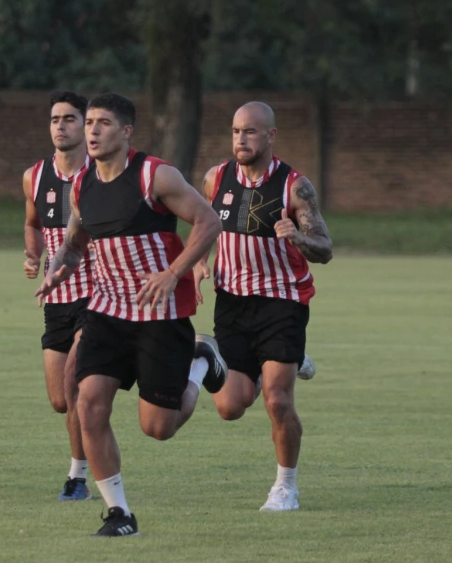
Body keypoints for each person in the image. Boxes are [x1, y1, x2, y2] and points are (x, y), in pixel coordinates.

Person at [37, 93, 225, 537]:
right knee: (88, 403)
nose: (93, 131)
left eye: (103, 123)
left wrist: (173, 272)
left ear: (126, 132)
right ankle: (120, 513)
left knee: (157, 428)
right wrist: (59, 269)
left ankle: (200, 362)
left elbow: (209, 221)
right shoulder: (81, 184)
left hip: (159, 314)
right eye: (91, 124)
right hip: (105, 311)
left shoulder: (154, 175)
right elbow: (76, 241)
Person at [193, 102, 332, 512]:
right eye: (236, 131)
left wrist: (298, 238)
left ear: (270, 136)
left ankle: (285, 486)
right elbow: (201, 225)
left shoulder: (294, 187)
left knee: (277, 400)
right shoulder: (215, 178)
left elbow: (325, 249)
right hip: (232, 302)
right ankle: (286, 358)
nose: (241, 139)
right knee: (230, 406)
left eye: (250, 132)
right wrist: (200, 260)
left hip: (281, 301)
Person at [23, 91, 94, 501]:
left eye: (70, 119)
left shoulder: (101, 175)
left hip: (99, 296)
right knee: (59, 401)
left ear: (85, 126)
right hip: (56, 301)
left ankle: (78, 477)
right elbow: (32, 222)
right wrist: (33, 254)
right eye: (55, 119)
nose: (61, 126)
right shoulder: (35, 176)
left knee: (74, 386)